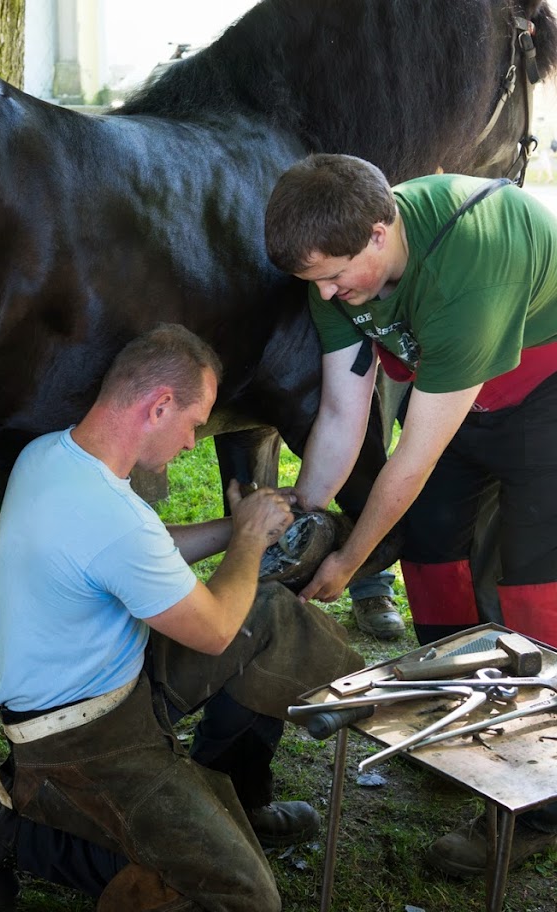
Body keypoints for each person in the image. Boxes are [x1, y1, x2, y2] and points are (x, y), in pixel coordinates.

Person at [0, 323, 364, 911]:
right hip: (79, 736)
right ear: (159, 405)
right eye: (196, 424)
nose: (194, 443)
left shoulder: (50, 454)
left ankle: (364, 704)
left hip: (110, 682)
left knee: (268, 611)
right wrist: (249, 543)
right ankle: (28, 836)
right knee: (245, 897)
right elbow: (214, 628)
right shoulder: (111, 517)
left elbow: (148, 546)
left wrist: (239, 527)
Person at [263, 153, 557, 879]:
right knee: (432, 560)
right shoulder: (333, 268)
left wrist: (349, 561)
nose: (327, 294)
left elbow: (411, 458)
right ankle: (449, 729)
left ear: (378, 232)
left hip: (543, 394)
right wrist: (303, 517)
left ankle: (537, 803)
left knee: (534, 586)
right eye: (314, 284)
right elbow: (342, 409)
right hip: (452, 385)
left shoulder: (470, 264)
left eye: (334, 277)